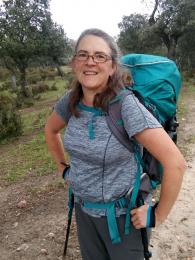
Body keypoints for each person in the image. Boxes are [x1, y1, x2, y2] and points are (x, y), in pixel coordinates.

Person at [44, 28, 186, 260]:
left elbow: (175, 163)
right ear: (74, 63)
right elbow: (50, 131)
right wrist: (64, 170)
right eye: (83, 55)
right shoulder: (69, 101)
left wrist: (157, 215)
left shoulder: (126, 108)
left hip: (124, 220)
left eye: (100, 56)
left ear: (112, 67)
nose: (90, 62)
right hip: (83, 211)